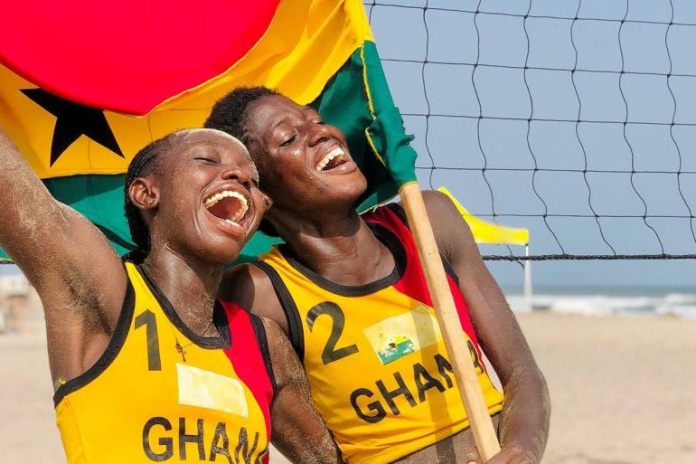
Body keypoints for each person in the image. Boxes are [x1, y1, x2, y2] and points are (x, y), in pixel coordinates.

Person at [206, 87, 551, 464]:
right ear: (262, 194)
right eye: (289, 138)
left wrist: (519, 451)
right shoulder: (259, 294)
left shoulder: (429, 222)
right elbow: (319, 457)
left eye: (318, 121)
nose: (323, 133)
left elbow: (522, 373)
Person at [0, 127, 341, 463]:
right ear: (146, 194)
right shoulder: (107, 295)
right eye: (207, 160)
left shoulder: (265, 343)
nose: (239, 176)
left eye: (252, 183)